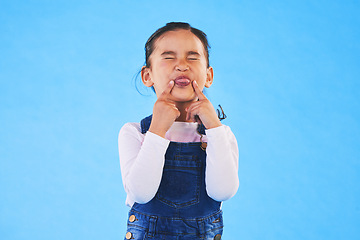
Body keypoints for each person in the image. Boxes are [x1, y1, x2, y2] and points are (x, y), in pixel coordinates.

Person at [118, 22, 239, 240]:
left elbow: (223, 192)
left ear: (209, 76)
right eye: (168, 57)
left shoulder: (220, 135)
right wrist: (157, 129)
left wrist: (213, 126)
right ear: (148, 76)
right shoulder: (136, 133)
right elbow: (141, 193)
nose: (182, 65)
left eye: (192, 57)